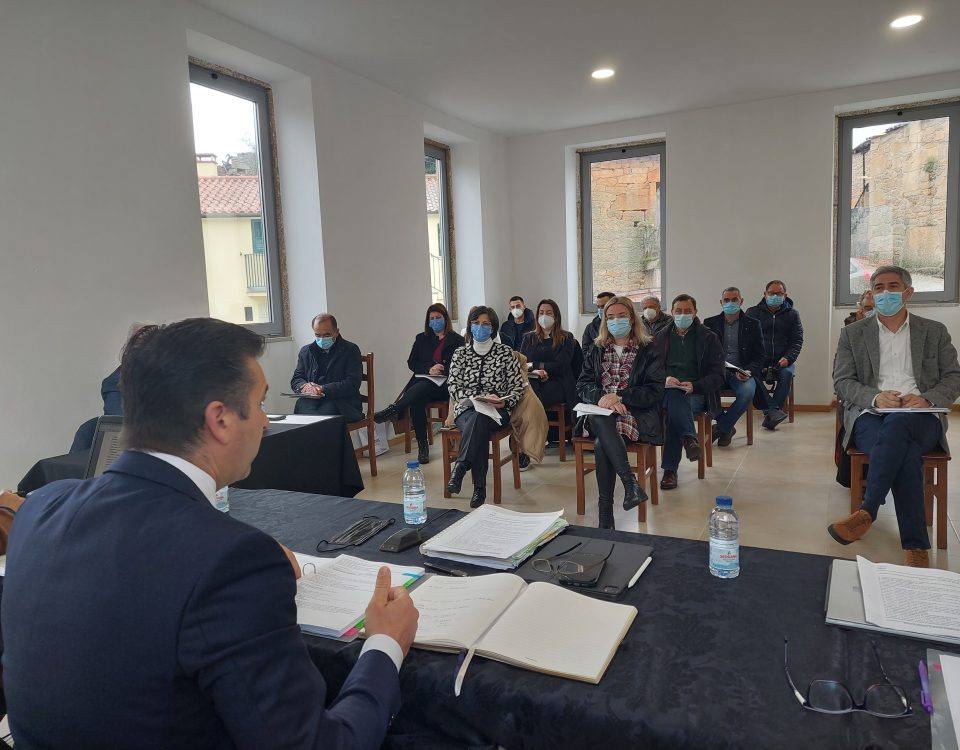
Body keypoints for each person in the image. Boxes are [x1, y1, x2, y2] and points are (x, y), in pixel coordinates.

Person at [2, 318, 419, 748]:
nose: (265, 422)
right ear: (220, 419)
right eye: (259, 404)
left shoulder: (39, 508)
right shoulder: (232, 560)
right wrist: (385, 643)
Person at [828, 266, 960, 568]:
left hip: (921, 415)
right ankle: (916, 546)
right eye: (879, 287)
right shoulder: (853, 333)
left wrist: (927, 398)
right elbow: (843, 381)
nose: (885, 292)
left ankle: (867, 511)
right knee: (906, 452)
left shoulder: (934, 331)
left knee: (900, 423)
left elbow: (954, 377)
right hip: (871, 414)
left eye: (893, 286)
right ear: (872, 293)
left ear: (908, 292)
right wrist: (875, 397)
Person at [576, 296, 663, 529]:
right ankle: (630, 484)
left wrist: (620, 397)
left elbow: (654, 391)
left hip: (633, 413)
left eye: (622, 316)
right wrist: (603, 399)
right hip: (599, 411)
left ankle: (606, 514)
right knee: (598, 417)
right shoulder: (596, 348)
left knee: (601, 444)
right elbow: (582, 385)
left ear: (632, 318)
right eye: (611, 317)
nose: (616, 321)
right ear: (605, 321)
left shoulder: (649, 349)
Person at [447, 306, 525, 508]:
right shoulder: (460, 353)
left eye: (485, 324)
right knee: (477, 420)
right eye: (476, 323)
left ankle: (461, 467)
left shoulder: (505, 353)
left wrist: (504, 401)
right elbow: (453, 386)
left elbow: (517, 387)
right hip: (466, 410)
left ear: (493, 328)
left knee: (479, 420)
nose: (480, 327)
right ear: (470, 326)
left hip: (497, 411)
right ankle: (478, 489)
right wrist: (473, 398)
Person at [374, 303, 464, 464]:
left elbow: (460, 366)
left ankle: (395, 409)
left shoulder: (457, 340)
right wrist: (429, 368)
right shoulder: (421, 338)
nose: (435, 321)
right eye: (432, 318)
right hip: (423, 383)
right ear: (428, 321)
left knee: (422, 388)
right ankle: (423, 446)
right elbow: (412, 363)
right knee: (417, 399)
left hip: (445, 386)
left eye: (438, 318)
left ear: (445, 319)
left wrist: (441, 369)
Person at [651, 294, 724, 490]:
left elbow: (719, 375)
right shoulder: (659, 338)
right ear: (671, 312)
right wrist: (665, 379)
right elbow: (650, 371)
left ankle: (670, 470)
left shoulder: (709, 338)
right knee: (675, 398)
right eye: (678, 311)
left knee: (675, 410)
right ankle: (689, 438)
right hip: (664, 392)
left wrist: (695, 385)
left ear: (695, 312)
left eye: (687, 311)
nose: (683, 315)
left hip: (697, 393)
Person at [703, 287, 765, 447]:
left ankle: (721, 428)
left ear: (741, 301)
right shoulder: (709, 323)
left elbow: (760, 355)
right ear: (721, 302)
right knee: (704, 389)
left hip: (742, 371)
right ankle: (727, 428)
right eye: (727, 300)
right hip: (717, 372)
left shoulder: (753, 324)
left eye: (734, 300)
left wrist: (748, 371)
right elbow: (703, 352)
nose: (730, 303)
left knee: (747, 392)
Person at [520, 299, 577, 469]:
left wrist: (537, 365)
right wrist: (535, 371)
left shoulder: (566, 337)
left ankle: (524, 446)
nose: (544, 316)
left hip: (558, 383)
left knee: (528, 401)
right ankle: (528, 444)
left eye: (549, 312)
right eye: (541, 313)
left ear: (556, 316)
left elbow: (561, 365)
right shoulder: (528, 338)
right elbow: (522, 363)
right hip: (533, 381)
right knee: (528, 395)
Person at [747, 280, 803, 430]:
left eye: (779, 293)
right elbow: (746, 340)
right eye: (771, 293)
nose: (775, 296)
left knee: (787, 374)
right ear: (765, 294)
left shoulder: (793, 314)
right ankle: (773, 412)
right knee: (751, 373)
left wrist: (788, 358)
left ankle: (772, 413)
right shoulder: (752, 313)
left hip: (783, 360)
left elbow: (797, 340)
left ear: (785, 295)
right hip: (759, 360)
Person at [291, 313, 363, 420]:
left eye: (326, 335)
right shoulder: (306, 351)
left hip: (343, 402)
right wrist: (305, 386)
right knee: (301, 406)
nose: (321, 339)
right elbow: (297, 379)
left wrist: (322, 388)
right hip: (313, 400)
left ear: (336, 332)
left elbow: (353, 383)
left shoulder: (350, 350)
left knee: (324, 415)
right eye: (318, 335)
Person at [581, 290, 616, 355]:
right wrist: (598, 343)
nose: (600, 310)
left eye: (603, 306)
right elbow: (585, 353)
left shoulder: (623, 325)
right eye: (598, 307)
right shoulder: (591, 327)